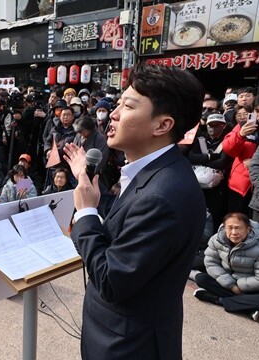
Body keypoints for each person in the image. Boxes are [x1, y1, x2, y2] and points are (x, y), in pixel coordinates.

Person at [64, 63, 206, 359]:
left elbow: (112, 280)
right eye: (117, 103)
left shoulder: (162, 196)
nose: (113, 114)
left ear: (162, 125)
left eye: (128, 106)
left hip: (128, 346)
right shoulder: (155, 173)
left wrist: (87, 213)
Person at [194, 212, 259, 321]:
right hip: (229, 284)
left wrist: (240, 286)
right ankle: (249, 307)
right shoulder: (217, 239)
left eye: (238, 228)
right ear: (224, 228)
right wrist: (231, 286)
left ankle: (218, 300)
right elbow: (210, 262)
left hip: (252, 288)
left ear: (248, 229)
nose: (234, 232)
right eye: (230, 228)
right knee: (201, 278)